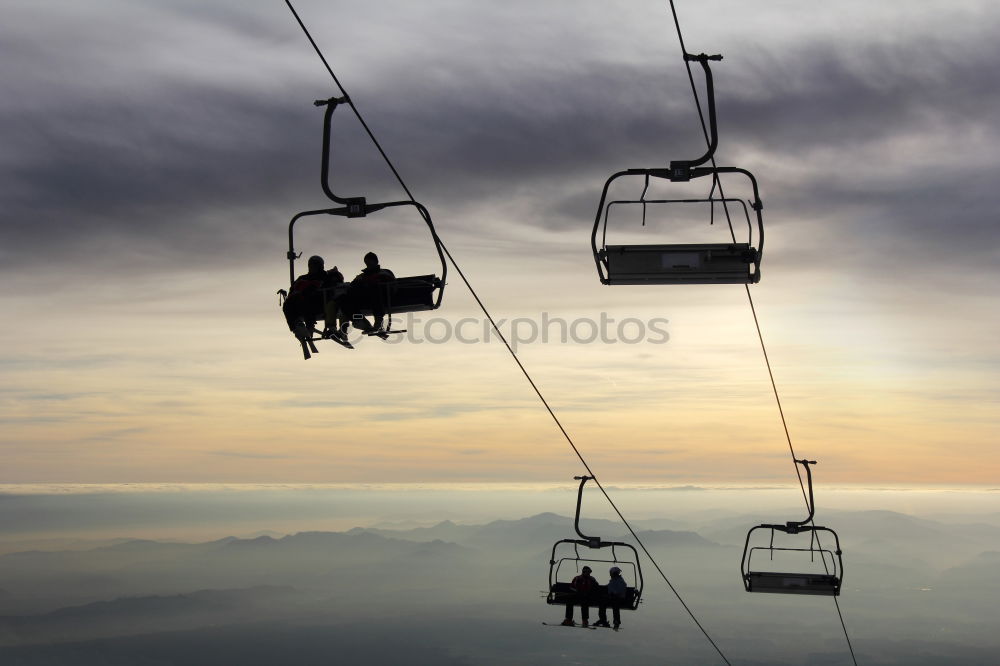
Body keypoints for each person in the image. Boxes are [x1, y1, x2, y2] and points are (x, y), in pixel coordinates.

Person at [282, 255, 344, 342]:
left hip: (319, 303)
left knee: (308, 300)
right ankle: (297, 327)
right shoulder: (302, 278)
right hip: (300, 303)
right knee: (287, 305)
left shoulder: (326, 276)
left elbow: (337, 282)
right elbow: (293, 290)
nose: (313, 267)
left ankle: (309, 327)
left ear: (321, 266)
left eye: (316, 265)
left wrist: (334, 273)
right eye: (311, 265)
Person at [339, 251, 396, 336]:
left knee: (374, 288)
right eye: (367, 262)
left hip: (381, 296)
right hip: (365, 298)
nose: (368, 264)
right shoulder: (362, 276)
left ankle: (378, 320)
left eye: (370, 262)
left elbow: (391, 284)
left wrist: (368, 282)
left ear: (376, 262)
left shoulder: (384, 272)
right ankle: (360, 321)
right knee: (344, 298)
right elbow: (352, 286)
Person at [594, 566, 628, 630]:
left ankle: (616, 621)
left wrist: (614, 593)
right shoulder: (614, 580)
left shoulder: (620, 581)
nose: (610, 575)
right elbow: (610, 586)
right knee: (602, 602)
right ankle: (602, 619)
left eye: (611, 573)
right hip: (613, 598)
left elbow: (620, 590)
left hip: (619, 599)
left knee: (615, 604)